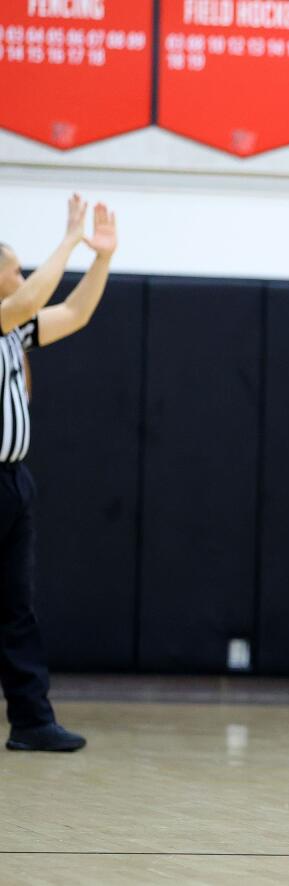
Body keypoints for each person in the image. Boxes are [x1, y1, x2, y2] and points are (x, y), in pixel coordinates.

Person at [1, 194, 117, 752]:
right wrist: (69, 238)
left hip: (13, 483)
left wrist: (101, 259)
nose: (22, 276)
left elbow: (73, 313)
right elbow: (28, 299)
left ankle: (30, 721)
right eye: (13, 267)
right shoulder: (5, 315)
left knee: (17, 607)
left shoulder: (14, 333)